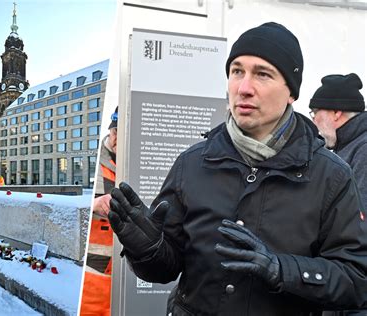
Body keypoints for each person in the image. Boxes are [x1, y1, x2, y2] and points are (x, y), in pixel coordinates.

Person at [108, 22, 367, 315]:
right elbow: (165, 269)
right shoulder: (191, 163)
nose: (244, 88)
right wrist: (147, 248)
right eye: (237, 72)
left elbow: (356, 280)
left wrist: (282, 270)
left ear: (291, 92)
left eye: (263, 74)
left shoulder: (330, 175)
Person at [80, 106, 118, 316]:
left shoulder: (136, 163)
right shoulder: (97, 163)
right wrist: (95, 204)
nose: (117, 139)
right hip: (93, 278)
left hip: (124, 280)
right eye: (114, 132)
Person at [309, 73, 366, 206]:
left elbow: (359, 217)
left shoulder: (363, 150)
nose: (314, 121)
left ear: (336, 113)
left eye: (315, 113)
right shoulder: (350, 145)